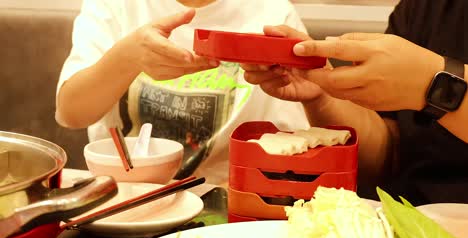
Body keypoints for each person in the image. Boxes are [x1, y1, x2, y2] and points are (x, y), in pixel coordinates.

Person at [55, 0, 311, 185]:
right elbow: (70, 113)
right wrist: (127, 57)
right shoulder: (116, 6)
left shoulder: (274, 12)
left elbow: (296, 142)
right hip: (124, 194)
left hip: (226, 199)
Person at [241, 0, 468, 204]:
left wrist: (436, 83)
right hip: (409, 224)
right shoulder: (423, 8)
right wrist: (323, 95)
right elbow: (391, 155)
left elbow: (427, 83)